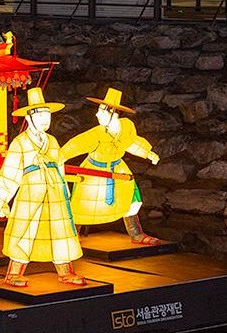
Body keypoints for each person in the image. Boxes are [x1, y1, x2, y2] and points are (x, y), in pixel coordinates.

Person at [0, 87, 84, 287]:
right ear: (29, 117)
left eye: (47, 114)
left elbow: (59, 167)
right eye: (40, 115)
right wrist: (3, 198)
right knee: (24, 229)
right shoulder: (20, 143)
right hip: (30, 193)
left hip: (55, 193)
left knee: (59, 230)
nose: (45, 119)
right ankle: (13, 273)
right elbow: (11, 170)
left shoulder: (52, 141)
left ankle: (65, 271)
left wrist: (65, 192)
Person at [59, 87, 161, 244]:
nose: (97, 114)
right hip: (94, 171)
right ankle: (73, 234)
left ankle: (136, 233)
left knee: (131, 199)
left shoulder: (125, 129)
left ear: (113, 113)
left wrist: (148, 153)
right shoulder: (96, 134)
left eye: (101, 111)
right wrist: (59, 157)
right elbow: (76, 145)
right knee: (83, 204)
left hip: (118, 169)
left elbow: (132, 143)